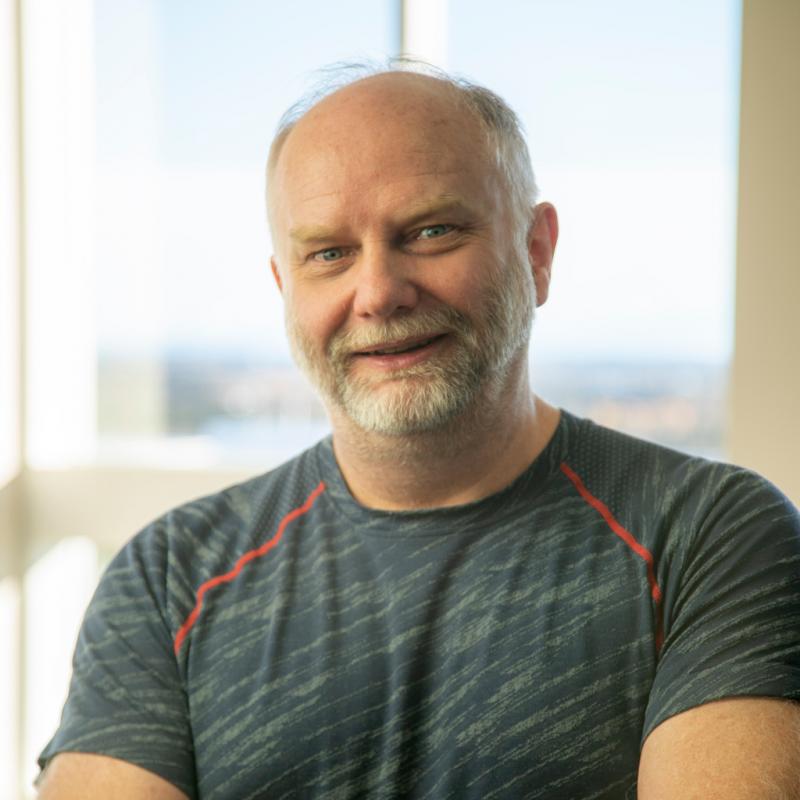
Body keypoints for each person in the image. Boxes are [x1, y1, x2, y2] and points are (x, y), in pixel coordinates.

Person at [37, 62, 800, 800]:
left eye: (431, 232)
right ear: (285, 286)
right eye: (329, 253)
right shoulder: (168, 579)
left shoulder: (713, 537)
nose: (377, 292)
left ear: (536, 252)